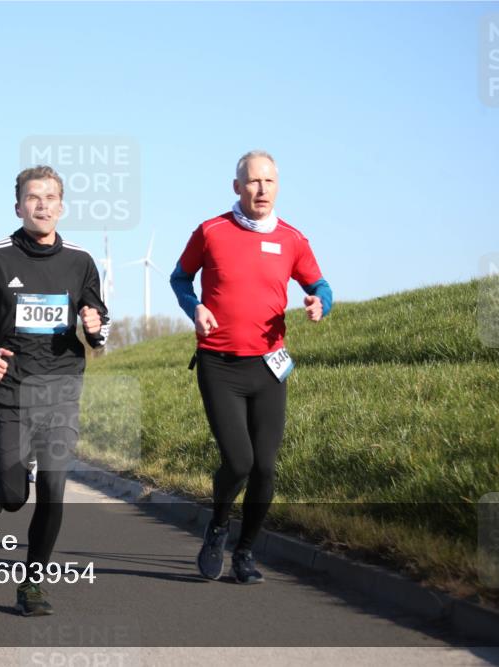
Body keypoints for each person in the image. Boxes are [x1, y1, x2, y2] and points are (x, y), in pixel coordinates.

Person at [169, 150, 333, 584]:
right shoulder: (212, 231)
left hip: (267, 367)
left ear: (278, 186)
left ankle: (245, 553)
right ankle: (218, 527)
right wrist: (195, 308)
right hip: (219, 365)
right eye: (253, 181)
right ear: (237, 186)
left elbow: (320, 284)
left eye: (270, 181)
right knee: (238, 462)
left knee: (265, 467)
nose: (262, 189)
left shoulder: (293, 239)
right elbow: (179, 278)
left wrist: (321, 303)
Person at [0, 165, 109, 616]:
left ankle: (32, 584)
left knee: (54, 489)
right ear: (18, 206)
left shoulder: (80, 262)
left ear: (62, 206)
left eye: (50, 197)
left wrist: (95, 328)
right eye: (33, 197)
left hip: (61, 389)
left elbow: (98, 318)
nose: (42, 205)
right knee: (16, 495)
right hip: (9, 392)